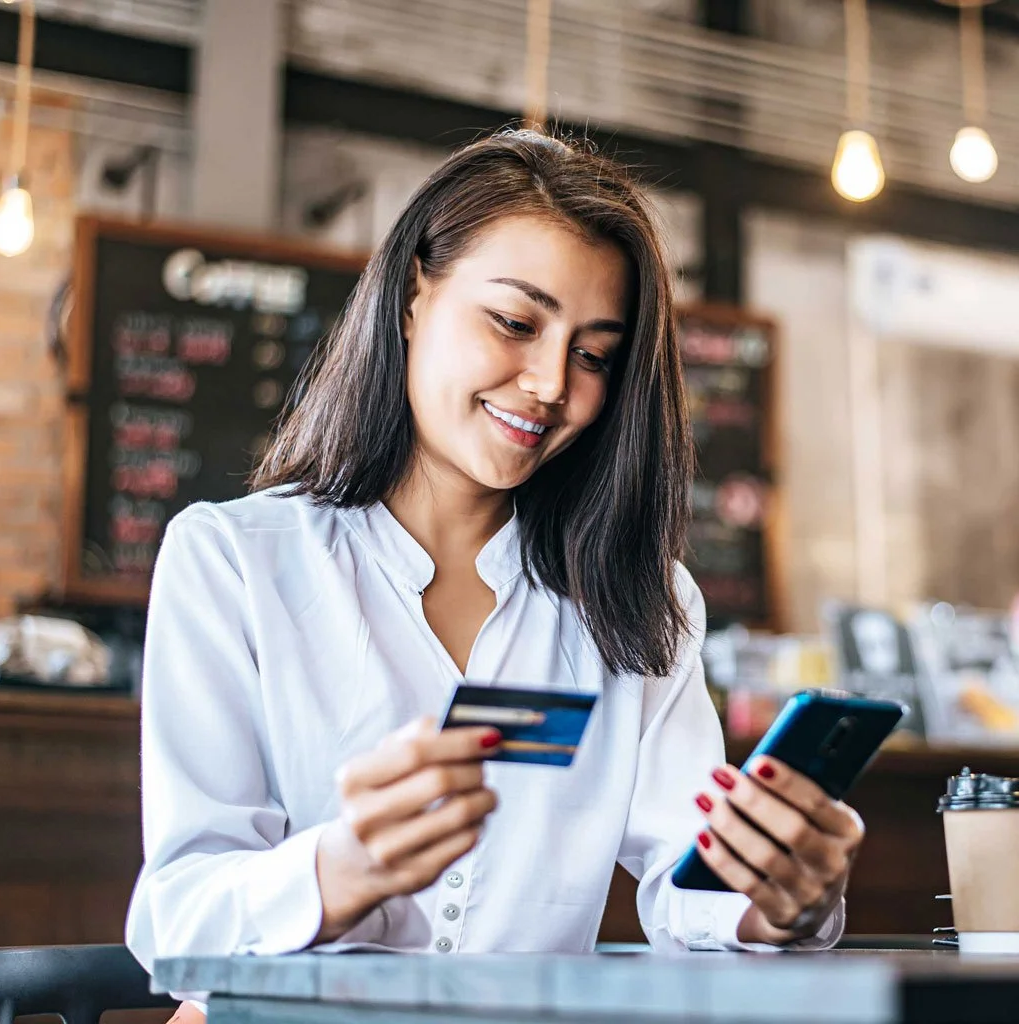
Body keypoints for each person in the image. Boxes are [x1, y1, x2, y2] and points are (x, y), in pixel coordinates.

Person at [125, 129, 862, 1018]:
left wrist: (779, 903)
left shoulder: (639, 602)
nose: (551, 383)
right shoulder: (235, 561)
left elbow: (687, 886)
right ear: (411, 296)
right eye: (515, 322)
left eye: (593, 354)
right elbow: (176, 917)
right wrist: (338, 869)